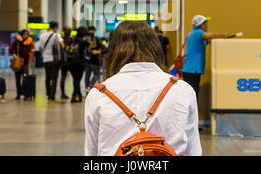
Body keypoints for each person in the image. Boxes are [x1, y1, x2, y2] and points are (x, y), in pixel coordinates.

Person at [85, 21, 202, 156]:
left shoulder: (99, 94)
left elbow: (91, 153)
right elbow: (193, 151)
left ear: (115, 50)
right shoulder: (183, 90)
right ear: (156, 48)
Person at [182, 15, 232, 102]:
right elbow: (211, 35)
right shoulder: (198, 33)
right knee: (192, 96)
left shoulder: (194, 34)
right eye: (205, 23)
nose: (207, 26)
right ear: (200, 25)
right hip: (192, 71)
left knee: (192, 95)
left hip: (191, 70)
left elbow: (206, 41)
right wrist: (223, 35)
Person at [39, 21, 65, 104]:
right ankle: (52, 97)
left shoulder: (42, 35)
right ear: (55, 27)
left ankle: (48, 94)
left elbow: (40, 48)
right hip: (54, 60)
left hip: (46, 59)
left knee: (47, 78)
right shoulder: (56, 35)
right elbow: (62, 45)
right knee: (54, 78)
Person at [65, 26, 88, 103]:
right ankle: (75, 96)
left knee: (75, 79)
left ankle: (78, 95)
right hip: (80, 63)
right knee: (77, 80)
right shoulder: (84, 42)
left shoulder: (72, 39)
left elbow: (67, 48)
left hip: (71, 62)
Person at [10, 29, 35, 100]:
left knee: (25, 79)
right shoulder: (16, 42)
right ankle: (18, 94)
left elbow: (32, 49)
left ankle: (25, 93)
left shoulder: (29, 42)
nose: (26, 35)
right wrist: (14, 55)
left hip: (26, 62)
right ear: (21, 34)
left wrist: (32, 52)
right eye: (25, 34)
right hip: (18, 63)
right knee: (17, 79)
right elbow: (11, 50)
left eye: (27, 34)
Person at [84, 26, 104, 93]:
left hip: (87, 60)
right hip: (95, 61)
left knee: (87, 75)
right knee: (96, 74)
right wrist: (98, 52)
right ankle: (89, 86)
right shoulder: (96, 39)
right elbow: (103, 48)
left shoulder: (84, 39)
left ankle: (87, 87)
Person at [60, 26, 73, 100]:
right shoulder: (71, 39)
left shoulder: (61, 39)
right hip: (69, 60)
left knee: (63, 77)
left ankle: (62, 93)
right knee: (75, 77)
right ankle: (75, 93)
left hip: (63, 61)